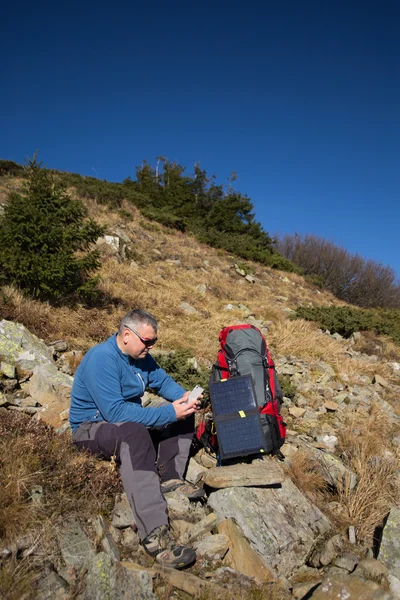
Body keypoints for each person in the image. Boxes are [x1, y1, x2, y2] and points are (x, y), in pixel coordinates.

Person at [69, 309, 203, 569]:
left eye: (154, 342)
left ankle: (171, 477)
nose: (151, 347)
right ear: (127, 335)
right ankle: (154, 536)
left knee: (183, 410)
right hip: (90, 428)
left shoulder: (141, 356)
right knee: (135, 432)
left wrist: (184, 398)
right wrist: (168, 412)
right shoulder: (102, 358)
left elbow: (162, 382)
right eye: (148, 341)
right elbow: (115, 412)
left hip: (121, 423)